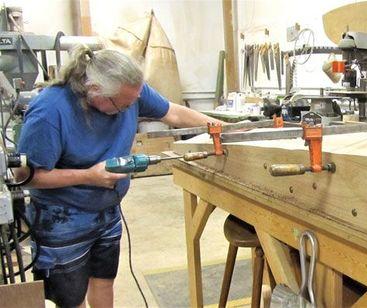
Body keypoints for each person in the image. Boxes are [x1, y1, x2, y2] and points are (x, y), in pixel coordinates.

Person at [17, 45, 224, 307]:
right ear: (94, 90)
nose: (131, 109)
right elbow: (26, 175)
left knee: (104, 281)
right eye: (123, 105)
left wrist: (224, 130)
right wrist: (88, 176)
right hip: (61, 219)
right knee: (69, 299)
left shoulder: (130, 91)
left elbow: (173, 112)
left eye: (134, 102)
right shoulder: (50, 111)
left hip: (107, 212)